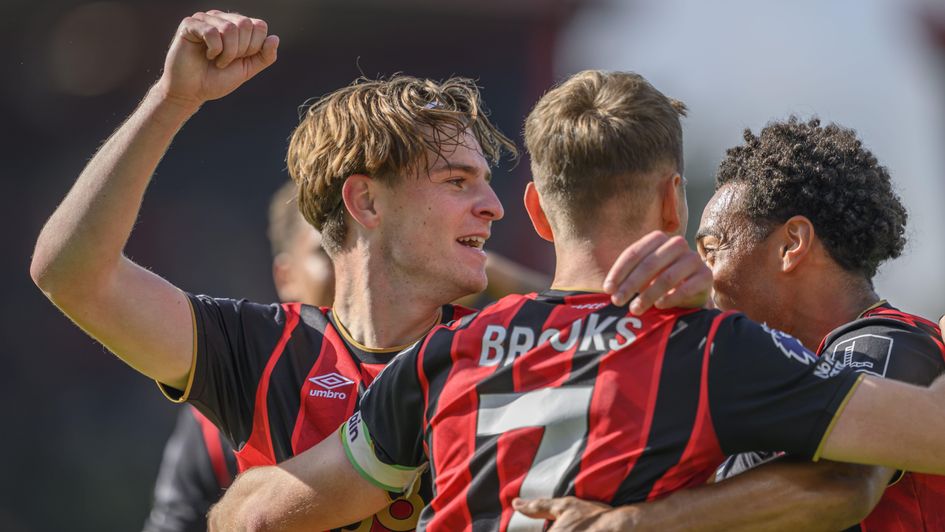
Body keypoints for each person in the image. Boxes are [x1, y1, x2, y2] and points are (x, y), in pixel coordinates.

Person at [30, 13, 706, 532]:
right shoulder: (263, 350)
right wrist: (171, 100)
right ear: (365, 201)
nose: (493, 205)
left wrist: (691, 302)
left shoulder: (506, 345)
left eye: (486, 181)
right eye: (455, 180)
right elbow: (70, 273)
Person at [209, 70, 945, 532]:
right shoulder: (709, 349)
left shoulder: (441, 356)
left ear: (535, 210)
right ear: (670, 202)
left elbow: (257, 514)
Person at [514, 119, 945, 531]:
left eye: (712, 248)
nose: (704, 274)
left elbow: (839, 480)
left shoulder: (885, 342)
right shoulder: (779, 375)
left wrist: (629, 522)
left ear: (791, 245)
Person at [142, 181, 334, 532]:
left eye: (360, 246)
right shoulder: (220, 411)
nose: (352, 266)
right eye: (326, 251)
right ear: (286, 276)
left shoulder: (439, 369)